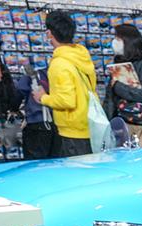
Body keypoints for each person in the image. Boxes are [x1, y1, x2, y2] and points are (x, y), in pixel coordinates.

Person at [34, 9, 97, 158]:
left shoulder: (59, 64)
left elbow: (66, 100)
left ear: (49, 33)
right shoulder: (81, 56)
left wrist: (43, 98)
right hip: (90, 124)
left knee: (76, 170)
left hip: (72, 130)